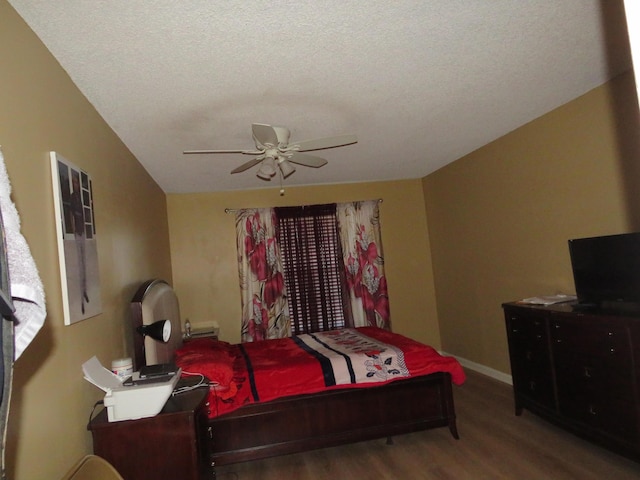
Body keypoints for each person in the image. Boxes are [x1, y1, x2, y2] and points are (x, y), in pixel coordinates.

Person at [70, 173, 89, 314]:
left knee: (85, 263)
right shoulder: (72, 197)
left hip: (82, 232)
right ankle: (81, 299)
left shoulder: (80, 197)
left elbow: (83, 214)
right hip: (77, 232)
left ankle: (85, 291)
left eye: (78, 183)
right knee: (79, 265)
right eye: (75, 182)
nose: (77, 185)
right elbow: (72, 214)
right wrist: (75, 229)